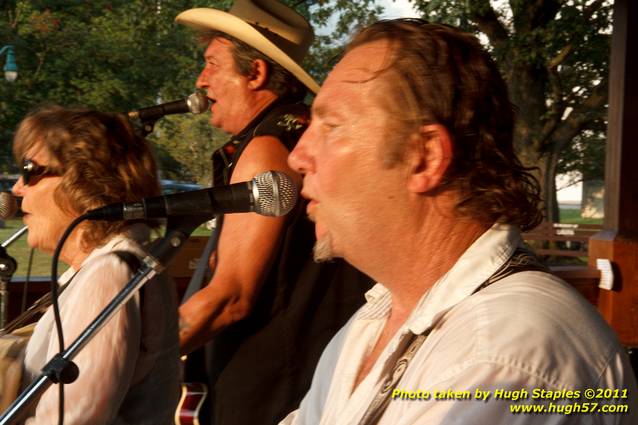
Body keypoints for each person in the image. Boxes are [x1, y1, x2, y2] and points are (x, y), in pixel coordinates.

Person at [281, 19, 638, 425]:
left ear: (426, 157)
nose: (297, 156)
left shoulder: (505, 354)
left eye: (331, 126)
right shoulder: (376, 318)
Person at [174, 1, 372, 424]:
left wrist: (136, 357)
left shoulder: (266, 150)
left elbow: (230, 298)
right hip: (303, 376)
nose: (200, 80)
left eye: (211, 64)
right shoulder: (302, 134)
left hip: (267, 391)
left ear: (256, 73)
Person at [12, 106, 179, 424]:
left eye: (30, 169)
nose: (18, 187)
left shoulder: (109, 275)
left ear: (84, 182)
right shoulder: (98, 270)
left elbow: (73, 418)